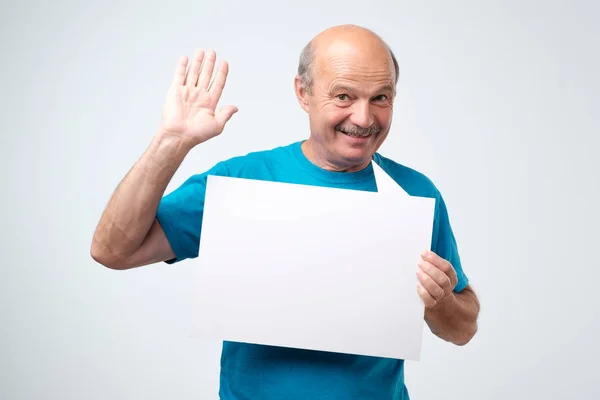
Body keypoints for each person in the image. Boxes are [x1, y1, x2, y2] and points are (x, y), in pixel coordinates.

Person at [91, 24, 480, 400]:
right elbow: (113, 251)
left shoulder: (415, 194)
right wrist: (170, 142)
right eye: (343, 96)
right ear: (303, 93)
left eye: (381, 97)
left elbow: (463, 328)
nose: (364, 118)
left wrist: (441, 302)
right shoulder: (243, 181)